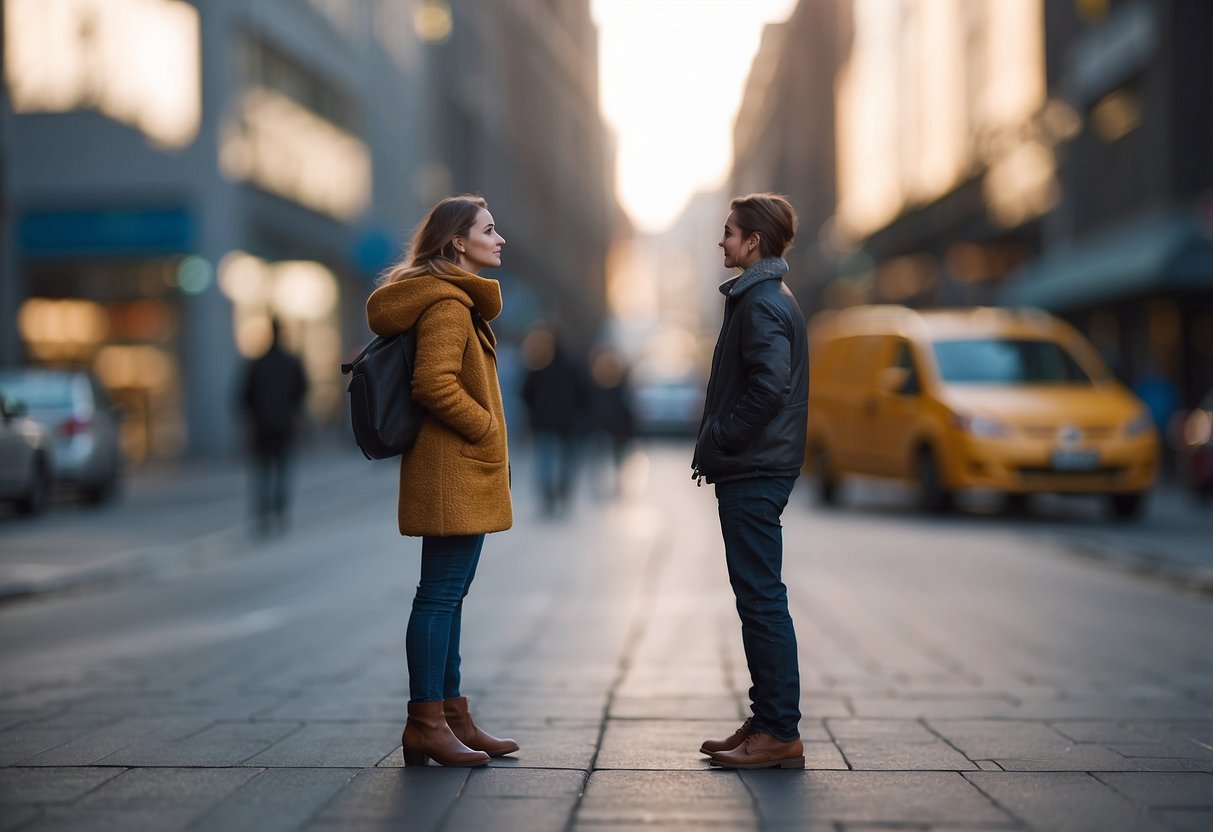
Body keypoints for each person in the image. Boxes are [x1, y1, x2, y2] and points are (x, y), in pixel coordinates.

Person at [365, 195, 518, 767]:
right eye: (489, 228)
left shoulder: (451, 300)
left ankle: (452, 717)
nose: (499, 238)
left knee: (448, 596)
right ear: (458, 241)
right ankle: (426, 722)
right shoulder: (450, 304)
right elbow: (433, 383)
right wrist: (482, 425)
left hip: (456, 470)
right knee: (439, 597)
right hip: (455, 469)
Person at [691, 193, 808, 769]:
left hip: (755, 467)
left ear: (753, 241)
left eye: (730, 232)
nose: (722, 240)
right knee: (757, 595)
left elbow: (770, 386)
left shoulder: (761, 301)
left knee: (761, 598)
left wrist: (723, 438)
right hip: (757, 464)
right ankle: (767, 720)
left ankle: (779, 730)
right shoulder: (760, 296)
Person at [239, 318, 308, 536]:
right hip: (284, 424)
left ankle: (264, 512)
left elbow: (244, 395)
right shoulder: (291, 362)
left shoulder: (258, 363)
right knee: (282, 469)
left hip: (262, 426)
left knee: (263, 471)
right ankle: (280, 510)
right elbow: (302, 390)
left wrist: (252, 418)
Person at [520, 326, 586, 516]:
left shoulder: (538, 365)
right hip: (567, 421)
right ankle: (563, 491)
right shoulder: (572, 365)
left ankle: (548, 495)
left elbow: (525, 392)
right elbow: (584, 392)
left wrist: (534, 410)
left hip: (543, 421)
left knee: (544, 458)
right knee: (567, 459)